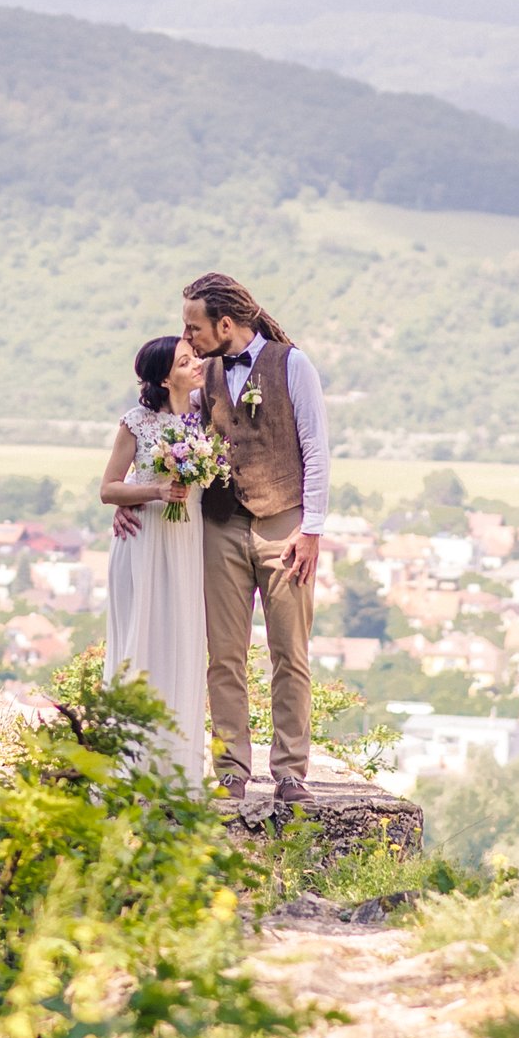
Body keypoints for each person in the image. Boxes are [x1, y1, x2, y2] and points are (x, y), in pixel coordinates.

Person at [182, 272, 328, 805]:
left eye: (194, 327)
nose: (188, 337)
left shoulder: (293, 364)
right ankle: (230, 771)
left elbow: (316, 448)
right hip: (221, 524)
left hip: (284, 526)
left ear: (225, 324)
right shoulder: (204, 375)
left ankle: (290, 772)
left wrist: (311, 530)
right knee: (224, 654)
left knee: (290, 652)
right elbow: (178, 434)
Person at [97, 334, 211, 782]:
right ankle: (130, 762)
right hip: (143, 540)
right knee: (141, 641)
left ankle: (176, 764)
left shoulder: (205, 415)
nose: (196, 364)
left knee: (182, 641)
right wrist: (154, 492)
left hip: (187, 540)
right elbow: (109, 488)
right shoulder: (137, 423)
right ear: (165, 379)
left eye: (194, 356)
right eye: (185, 362)